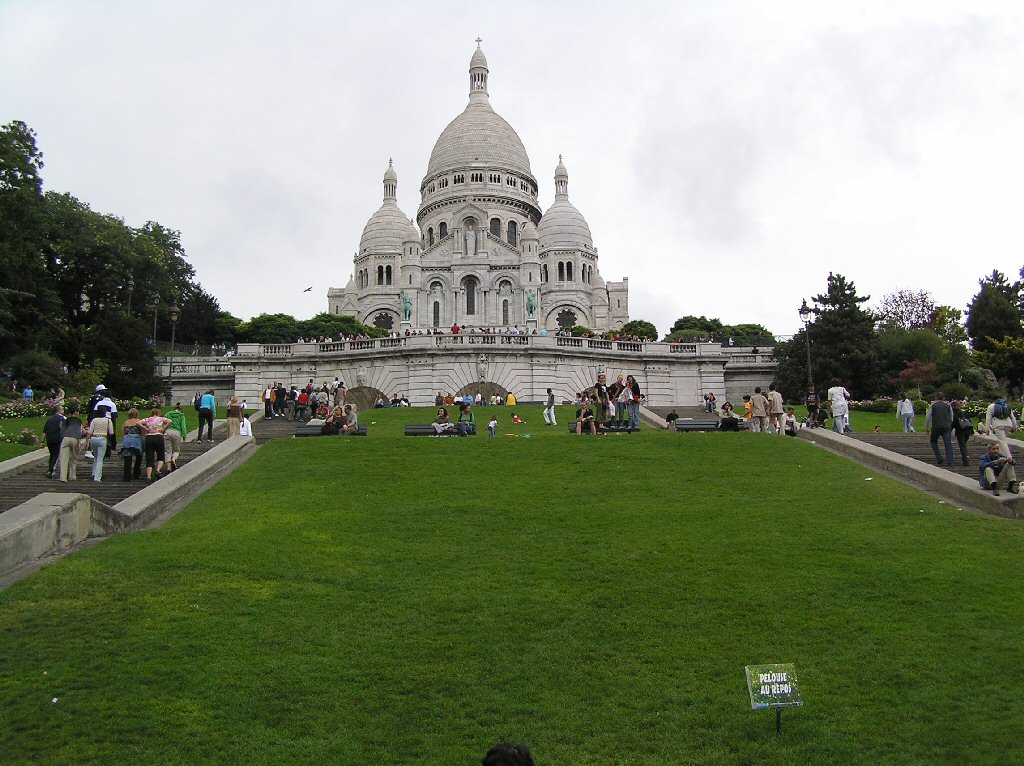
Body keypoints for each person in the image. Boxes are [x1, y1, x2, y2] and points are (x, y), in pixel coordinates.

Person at [141, 408, 172, 481]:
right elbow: (170, 421)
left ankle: (148, 476)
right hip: (158, 437)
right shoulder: (161, 419)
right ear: (158, 413)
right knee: (160, 455)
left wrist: (145, 428)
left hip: (149, 437)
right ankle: (158, 470)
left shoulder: (148, 419)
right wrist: (164, 428)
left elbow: (138, 423)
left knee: (149, 457)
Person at [925, 392, 955, 466]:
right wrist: (950, 424)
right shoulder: (948, 406)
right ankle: (950, 461)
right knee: (948, 444)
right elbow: (951, 417)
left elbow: (928, 417)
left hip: (936, 427)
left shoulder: (933, 406)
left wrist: (927, 427)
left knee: (933, 442)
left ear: (936, 398)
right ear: (944, 398)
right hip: (946, 427)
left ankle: (939, 457)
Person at [85, 405, 114, 482]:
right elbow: (111, 432)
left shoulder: (94, 420)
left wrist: (87, 441)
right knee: (100, 459)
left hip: (93, 438)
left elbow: (90, 432)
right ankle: (97, 477)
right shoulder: (108, 420)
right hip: (102, 438)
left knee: (96, 457)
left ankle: (94, 473)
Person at [57, 404, 84, 482]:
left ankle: (63, 477)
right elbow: (79, 431)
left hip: (65, 438)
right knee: (74, 458)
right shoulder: (78, 421)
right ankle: (72, 476)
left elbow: (61, 429)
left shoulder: (66, 420)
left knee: (63, 459)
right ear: (76, 412)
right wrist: (79, 442)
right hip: (74, 438)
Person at [120, 408, 145, 482]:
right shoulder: (139, 422)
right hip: (137, 441)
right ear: (137, 414)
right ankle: (136, 474)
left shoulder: (125, 423)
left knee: (128, 459)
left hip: (127, 441)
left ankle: (127, 477)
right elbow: (143, 434)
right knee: (139, 457)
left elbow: (123, 434)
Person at [42, 405, 66, 478]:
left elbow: (44, 431)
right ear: (59, 410)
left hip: (49, 439)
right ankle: (51, 470)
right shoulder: (62, 418)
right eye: (62, 409)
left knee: (52, 454)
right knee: (56, 455)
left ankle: (50, 468)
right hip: (58, 439)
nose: (63, 411)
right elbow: (64, 429)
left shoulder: (49, 419)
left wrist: (42, 441)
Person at [951, 401, 973, 467]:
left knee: (962, 446)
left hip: (960, 431)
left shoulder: (954, 414)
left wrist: (949, 430)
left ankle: (966, 461)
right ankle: (966, 457)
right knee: (964, 445)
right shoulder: (964, 413)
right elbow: (970, 422)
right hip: (968, 430)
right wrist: (971, 431)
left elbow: (953, 424)